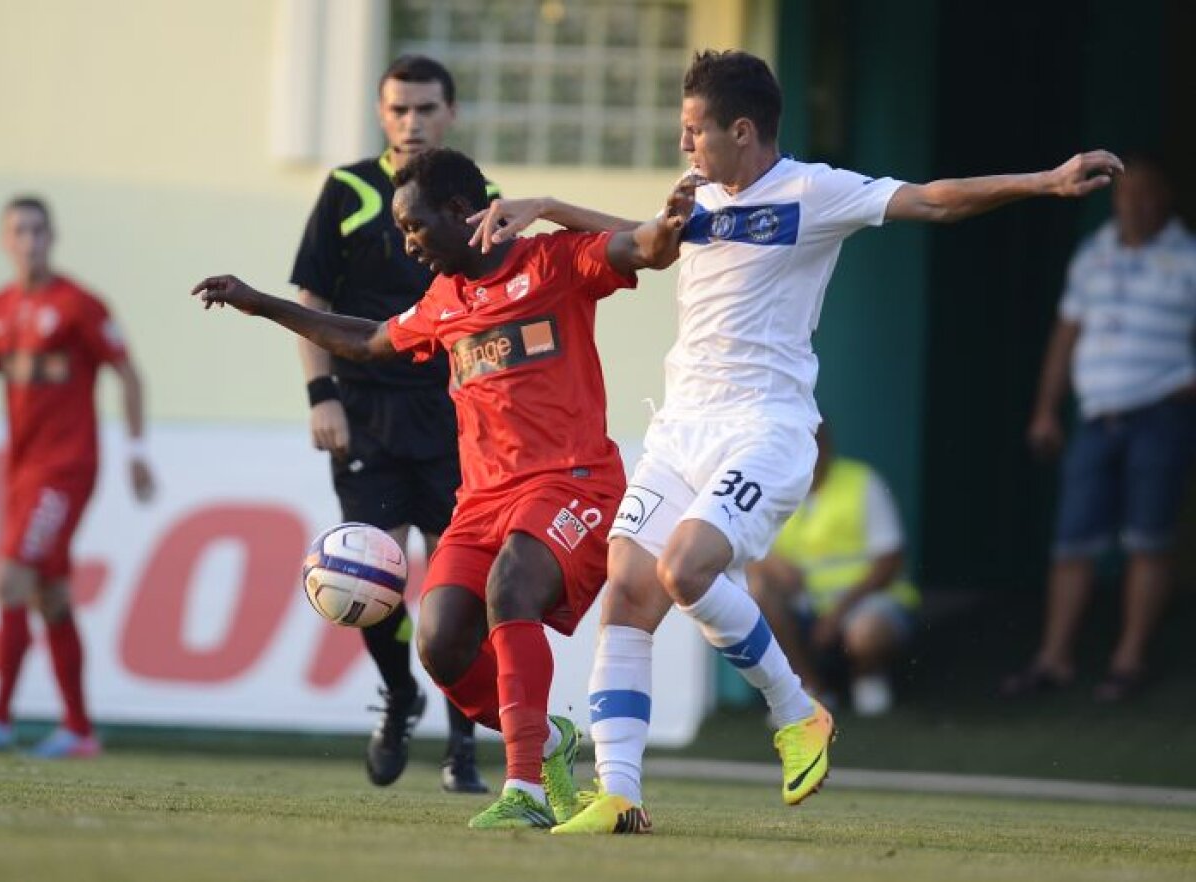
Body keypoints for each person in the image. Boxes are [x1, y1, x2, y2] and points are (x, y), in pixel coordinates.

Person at [469, 49, 1122, 834]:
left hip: (766, 428)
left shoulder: (816, 191)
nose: (685, 147)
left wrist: (1045, 181)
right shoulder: (702, 195)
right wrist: (547, 205)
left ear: (741, 130)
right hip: (680, 429)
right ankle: (620, 794)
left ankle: (796, 710)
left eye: (693, 131)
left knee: (684, 568)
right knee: (629, 594)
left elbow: (935, 202)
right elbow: (642, 238)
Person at [192, 147, 694, 829]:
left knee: (509, 591)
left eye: (416, 227)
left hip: (572, 481)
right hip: (482, 501)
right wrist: (262, 304)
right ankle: (547, 741)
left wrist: (625, 216)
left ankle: (526, 789)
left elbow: (650, 247)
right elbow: (369, 339)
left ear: (461, 212)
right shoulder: (443, 301)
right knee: (439, 642)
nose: (408, 243)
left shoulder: (551, 262)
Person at [290, 55, 499, 791]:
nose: (412, 123)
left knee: (461, 583)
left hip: (456, 418)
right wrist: (322, 396)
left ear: (451, 114)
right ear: (383, 115)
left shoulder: (483, 198)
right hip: (367, 414)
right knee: (369, 573)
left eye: (426, 109)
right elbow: (313, 299)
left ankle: (463, 746)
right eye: (399, 110)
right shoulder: (348, 188)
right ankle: (402, 691)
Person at [1003, 154, 1196, 703]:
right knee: (1072, 541)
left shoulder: (1187, 257)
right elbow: (1066, 336)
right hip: (1096, 415)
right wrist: (1045, 409)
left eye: (1145, 194)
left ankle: (1128, 660)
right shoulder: (1095, 254)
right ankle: (1054, 660)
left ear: (1166, 199)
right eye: (1124, 195)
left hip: (1161, 412)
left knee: (1148, 540)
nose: (1133, 204)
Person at [0, 196, 155, 758]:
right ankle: (79, 729)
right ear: (6, 240)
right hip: (19, 471)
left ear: (52, 237)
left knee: (11, 578)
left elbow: (128, 373)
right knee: (52, 596)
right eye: (20, 231)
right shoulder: (4, 308)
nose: (30, 240)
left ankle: (0, 719)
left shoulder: (77, 305)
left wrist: (137, 451)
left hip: (64, 469)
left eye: (39, 230)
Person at [747, 423, 919, 717]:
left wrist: (837, 613)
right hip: (805, 603)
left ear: (826, 446)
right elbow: (744, 549)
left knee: (867, 634)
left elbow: (889, 561)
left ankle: (866, 675)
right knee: (756, 590)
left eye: (816, 445)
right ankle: (808, 690)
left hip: (862, 602)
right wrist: (770, 563)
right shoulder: (777, 489)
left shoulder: (862, 482)